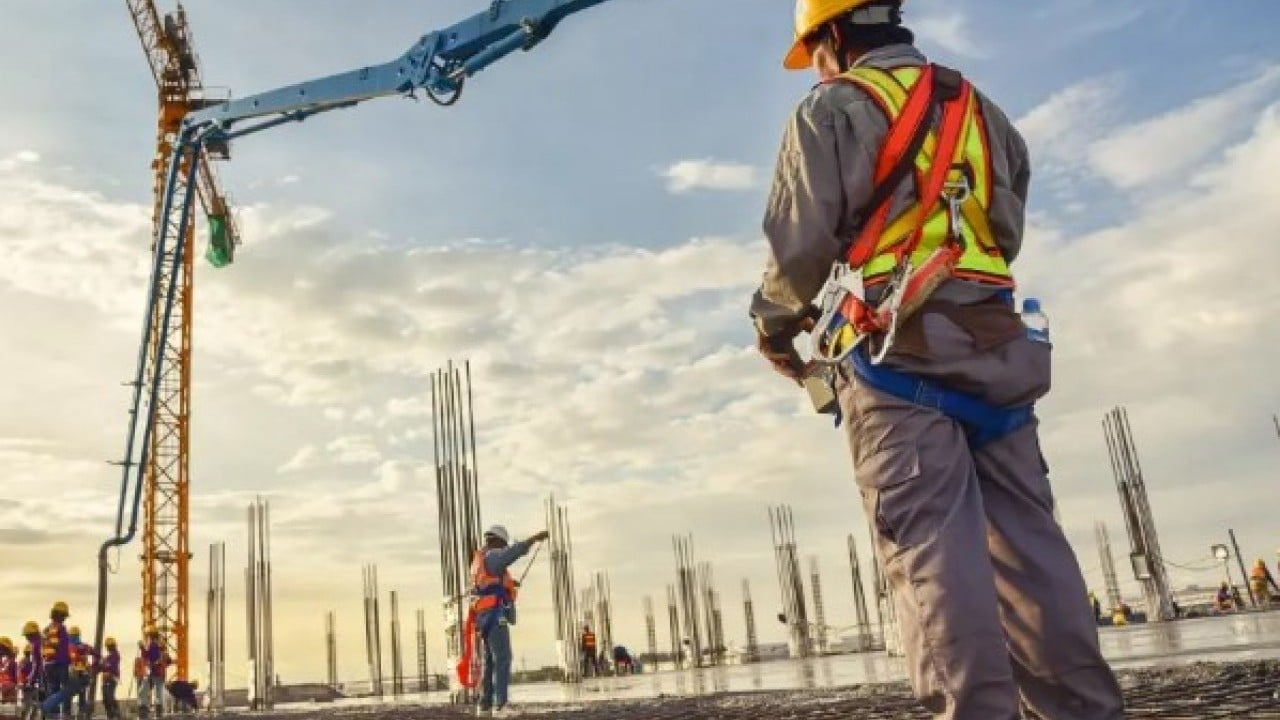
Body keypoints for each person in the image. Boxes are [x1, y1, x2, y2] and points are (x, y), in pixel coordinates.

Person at [749, 2, 1124, 718]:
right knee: (1033, 557)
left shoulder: (830, 110)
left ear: (832, 35)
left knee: (933, 563)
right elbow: (1004, 229)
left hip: (899, 363)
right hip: (998, 353)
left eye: (814, 52)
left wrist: (773, 328)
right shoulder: (982, 110)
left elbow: (798, 248)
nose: (816, 67)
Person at [470, 525, 549, 715]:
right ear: (496, 541)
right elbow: (513, 553)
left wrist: (509, 584)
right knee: (503, 658)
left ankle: (485, 705)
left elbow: (489, 584)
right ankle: (501, 705)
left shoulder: (481, 560)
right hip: (495, 615)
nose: (504, 548)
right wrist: (534, 538)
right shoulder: (493, 556)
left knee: (491, 661)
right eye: (503, 544)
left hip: (483, 617)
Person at [41, 602, 72, 719]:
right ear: (60, 615)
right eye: (64, 616)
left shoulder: (46, 630)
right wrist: (68, 662)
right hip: (59, 664)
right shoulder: (61, 629)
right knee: (67, 689)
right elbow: (63, 648)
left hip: (48, 664)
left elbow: (44, 648)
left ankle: (53, 716)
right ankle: (63, 713)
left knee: (53, 689)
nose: (64, 618)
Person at [139, 627, 171, 718]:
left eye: (149, 635)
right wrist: (142, 648)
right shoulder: (151, 645)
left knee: (156, 694)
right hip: (152, 672)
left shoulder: (159, 645)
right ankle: (144, 713)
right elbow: (146, 656)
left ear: (152, 635)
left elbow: (165, 658)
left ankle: (157, 714)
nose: (148, 637)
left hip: (158, 673)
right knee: (143, 691)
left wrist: (159, 663)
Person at [100, 637, 122, 720]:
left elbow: (111, 667)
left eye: (110, 646)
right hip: (105, 679)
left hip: (112, 679)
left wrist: (104, 665)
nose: (109, 648)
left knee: (110, 697)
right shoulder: (107, 657)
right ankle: (110, 715)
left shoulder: (115, 655)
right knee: (105, 698)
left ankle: (116, 713)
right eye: (108, 646)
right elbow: (102, 667)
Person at [17, 644, 39, 720]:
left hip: (32, 686)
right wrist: (25, 683)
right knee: (28, 705)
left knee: (34, 705)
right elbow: (20, 674)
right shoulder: (24, 662)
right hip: (28, 686)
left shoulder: (31, 662)